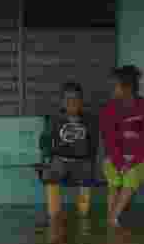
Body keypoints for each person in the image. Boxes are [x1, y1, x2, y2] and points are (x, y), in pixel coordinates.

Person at [99, 65, 144, 228]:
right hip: (117, 157)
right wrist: (120, 163)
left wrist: (131, 164)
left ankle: (112, 219)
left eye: (114, 85)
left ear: (127, 88)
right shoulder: (108, 110)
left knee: (131, 175)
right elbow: (110, 143)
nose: (110, 89)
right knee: (112, 174)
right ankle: (112, 218)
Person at [39, 82, 100, 228]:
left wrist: (87, 155)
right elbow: (44, 142)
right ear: (62, 102)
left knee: (87, 170)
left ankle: (83, 215)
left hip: (81, 161)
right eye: (67, 99)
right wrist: (48, 156)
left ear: (81, 101)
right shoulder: (54, 119)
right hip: (60, 160)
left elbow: (94, 146)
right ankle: (54, 214)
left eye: (75, 99)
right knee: (52, 171)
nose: (71, 103)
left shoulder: (89, 120)